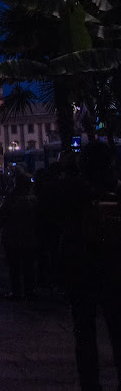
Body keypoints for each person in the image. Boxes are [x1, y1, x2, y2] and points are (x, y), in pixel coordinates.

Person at [59, 142, 121, 390]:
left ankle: (90, 384)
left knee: (84, 333)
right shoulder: (114, 188)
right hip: (114, 267)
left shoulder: (73, 189)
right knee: (117, 328)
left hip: (81, 268)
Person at [0, 172, 38, 300]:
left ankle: (16, 291)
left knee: (14, 267)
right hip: (30, 237)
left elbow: (0, 216)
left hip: (12, 236)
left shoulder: (10, 198)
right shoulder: (33, 200)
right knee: (28, 266)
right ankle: (29, 291)